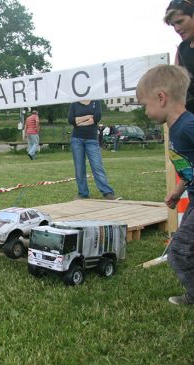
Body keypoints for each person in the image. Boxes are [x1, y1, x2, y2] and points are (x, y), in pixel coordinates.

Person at [136, 64, 194, 306]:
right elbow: (189, 166)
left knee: (179, 252)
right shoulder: (177, 128)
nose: (145, 111)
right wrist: (177, 191)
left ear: (161, 98)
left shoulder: (188, 126)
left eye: (144, 104)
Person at [68, 100, 116, 199]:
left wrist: (80, 122)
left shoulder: (96, 101)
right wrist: (88, 117)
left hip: (92, 140)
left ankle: (107, 192)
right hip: (77, 139)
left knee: (97, 166)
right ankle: (83, 193)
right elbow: (71, 120)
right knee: (79, 168)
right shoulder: (74, 103)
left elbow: (97, 117)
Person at [164, 0, 194, 113]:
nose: (176, 29)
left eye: (180, 21)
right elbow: (175, 86)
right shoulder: (182, 49)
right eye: (173, 25)